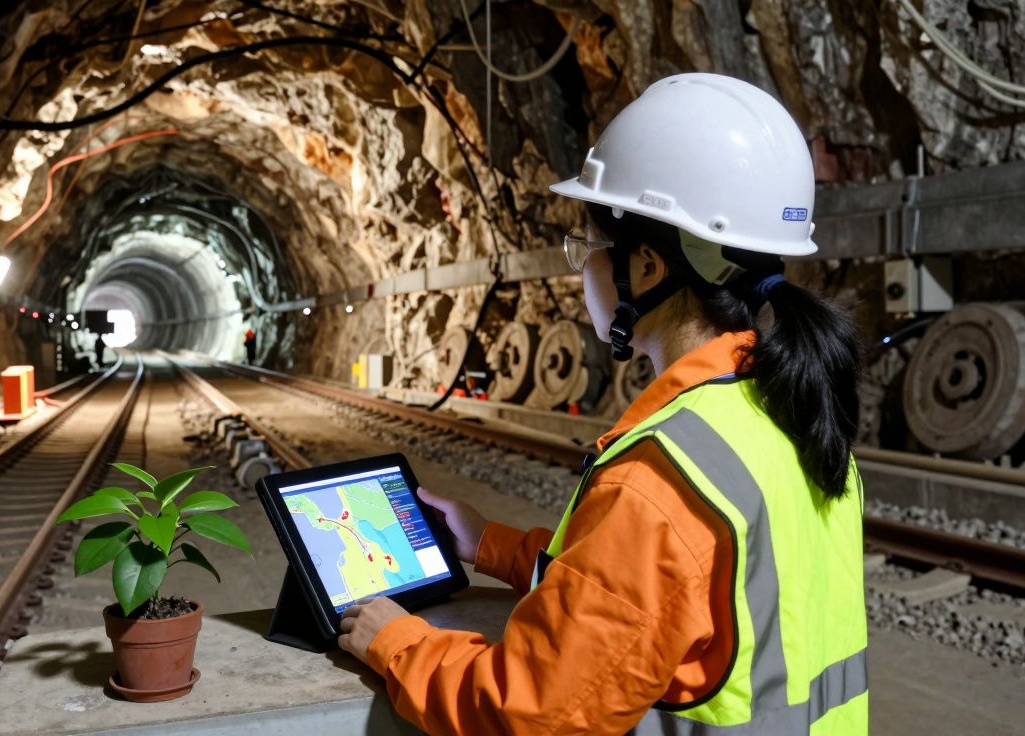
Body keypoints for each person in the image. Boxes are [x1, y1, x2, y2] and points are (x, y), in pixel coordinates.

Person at [337, 73, 868, 735]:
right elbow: (658, 604)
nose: (579, 270)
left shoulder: (663, 478)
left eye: (586, 249)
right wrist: (489, 545)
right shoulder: (791, 411)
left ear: (645, 266)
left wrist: (397, 641)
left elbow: (534, 713)